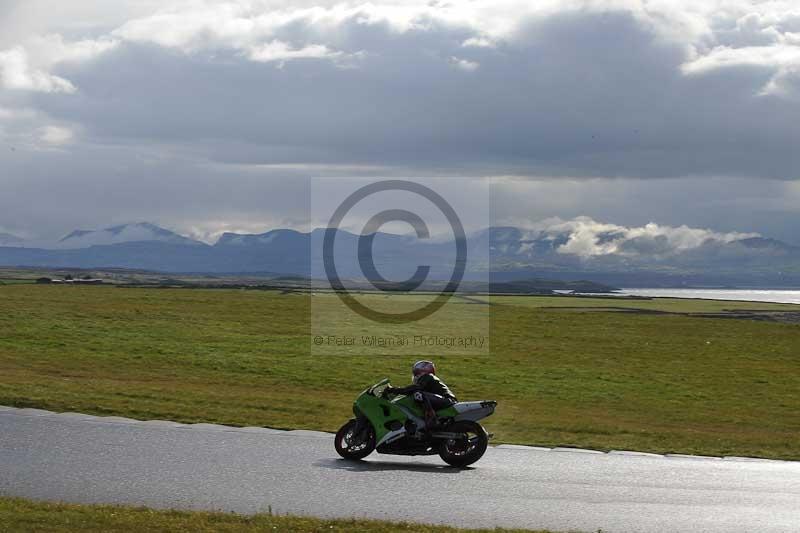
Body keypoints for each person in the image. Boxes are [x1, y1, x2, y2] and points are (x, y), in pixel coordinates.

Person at [385, 360, 457, 431]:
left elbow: (416, 388)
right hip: (441, 400)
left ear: (426, 371)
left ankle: (431, 419)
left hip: (447, 400)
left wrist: (394, 390)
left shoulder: (428, 376)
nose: (415, 376)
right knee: (415, 395)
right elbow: (411, 390)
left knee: (418, 394)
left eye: (417, 373)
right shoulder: (428, 379)